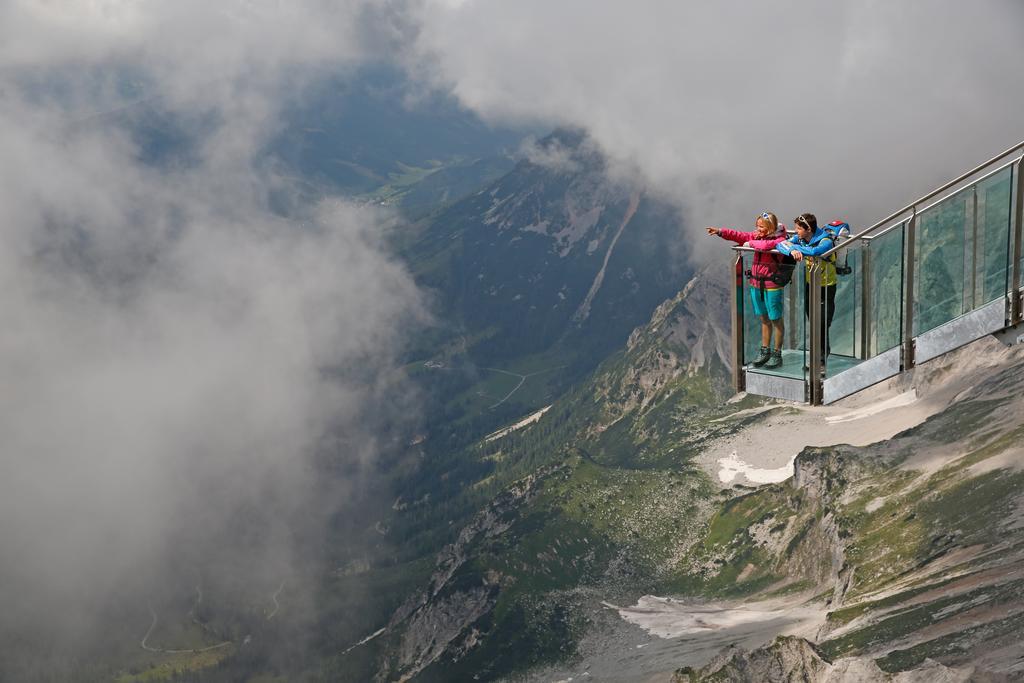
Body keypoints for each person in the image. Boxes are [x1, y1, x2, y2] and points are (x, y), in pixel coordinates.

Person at [706, 212, 790, 369]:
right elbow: (740, 235)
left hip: (772, 285)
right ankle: (765, 351)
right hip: (756, 283)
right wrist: (720, 232)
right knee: (764, 318)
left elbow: (765, 246)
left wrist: (749, 244)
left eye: (761, 226)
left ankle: (777, 354)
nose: (757, 229)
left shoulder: (780, 239)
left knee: (776, 319)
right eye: (757, 226)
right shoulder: (757, 236)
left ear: (771, 227)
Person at [776, 213, 837, 372]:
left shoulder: (826, 241)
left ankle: (821, 359)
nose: (796, 232)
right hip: (812, 283)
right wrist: (791, 251)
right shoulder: (802, 239)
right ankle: (817, 356)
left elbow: (816, 252)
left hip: (826, 286)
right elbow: (780, 245)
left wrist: (795, 248)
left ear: (808, 229)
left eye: (798, 229)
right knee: (813, 321)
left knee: (822, 322)